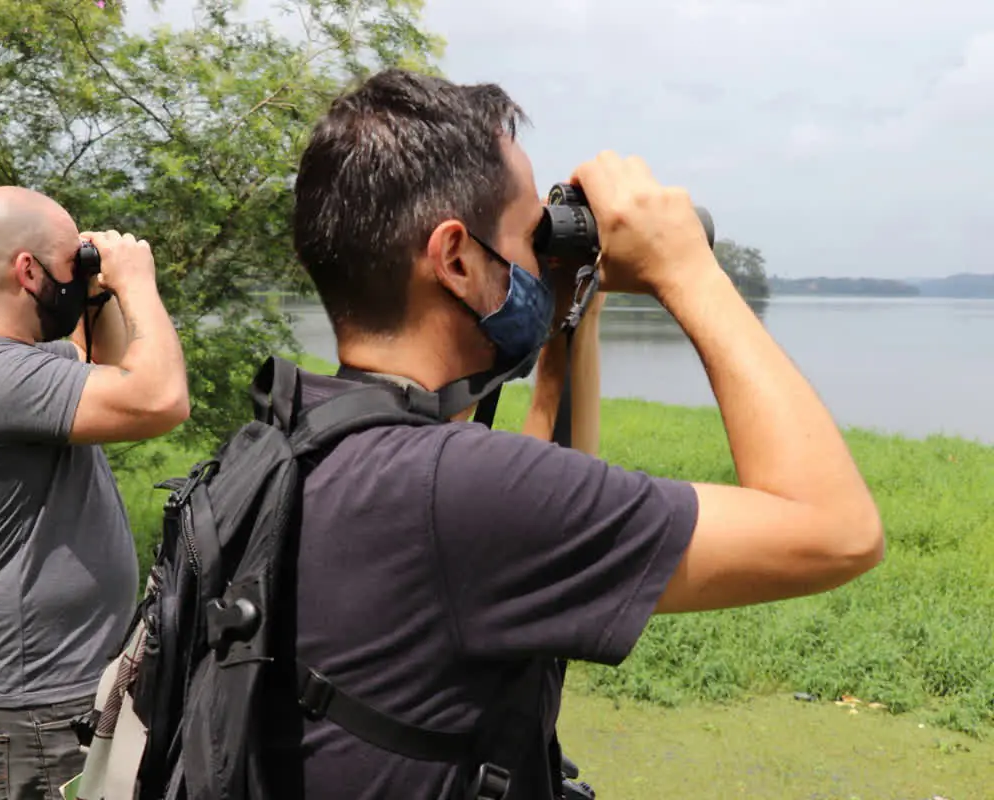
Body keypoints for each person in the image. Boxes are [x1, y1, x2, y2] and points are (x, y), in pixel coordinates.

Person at [259, 68, 885, 799]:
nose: (541, 253)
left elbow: (531, 487)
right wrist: (688, 269)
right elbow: (837, 531)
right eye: (531, 235)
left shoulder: (309, 436)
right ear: (456, 258)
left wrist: (565, 308)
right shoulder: (456, 492)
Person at [0, 186, 189, 800]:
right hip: (39, 705)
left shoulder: (17, 365)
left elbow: (118, 371)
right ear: (28, 270)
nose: (78, 277)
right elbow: (161, 398)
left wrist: (97, 294)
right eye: (72, 264)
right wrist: (136, 280)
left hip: (61, 694)